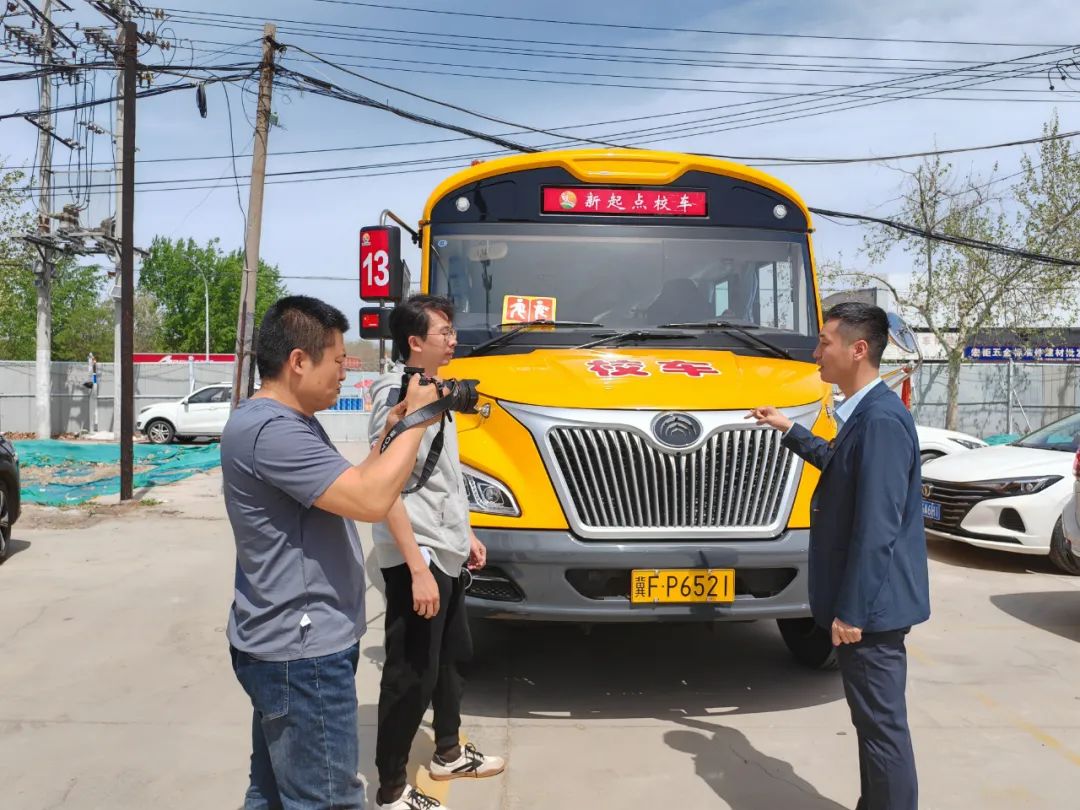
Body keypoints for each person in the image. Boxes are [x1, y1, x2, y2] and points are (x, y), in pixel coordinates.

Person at [221, 295, 439, 810]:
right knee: (328, 800)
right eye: (338, 361)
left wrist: (394, 426)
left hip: (287, 645)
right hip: (303, 652)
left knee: (273, 792)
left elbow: (356, 480)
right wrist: (423, 419)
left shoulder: (288, 422)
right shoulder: (271, 431)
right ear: (299, 361)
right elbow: (369, 499)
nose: (346, 371)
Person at [749, 302, 930, 810]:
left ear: (858, 349)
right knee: (873, 726)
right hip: (868, 606)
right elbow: (842, 467)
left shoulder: (881, 422)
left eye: (825, 342)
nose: (816, 353)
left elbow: (878, 527)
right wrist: (789, 428)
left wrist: (851, 611)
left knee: (882, 731)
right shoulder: (864, 415)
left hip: (872, 610)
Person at [368, 295, 506, 810]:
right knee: (409, 671)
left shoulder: (435, 392)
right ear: (415, 342)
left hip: (442, 548)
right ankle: (390, 790)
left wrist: (463, 535)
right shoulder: (395, 393)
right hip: (417, 554)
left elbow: (441, 480)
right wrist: (416, 566)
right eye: (443, 331)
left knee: (451, 658)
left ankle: (447, 750)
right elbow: (386, 486)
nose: (453, 339)